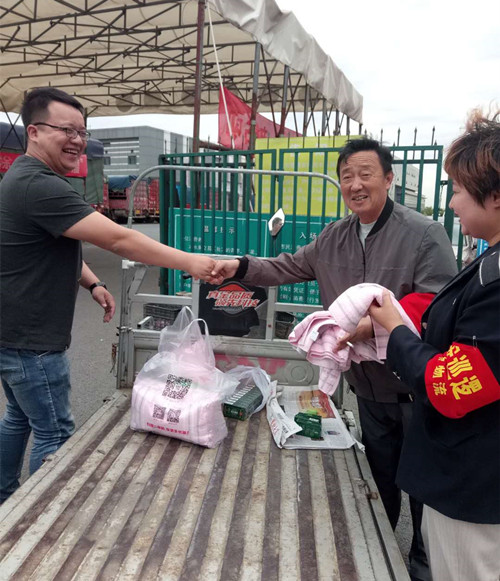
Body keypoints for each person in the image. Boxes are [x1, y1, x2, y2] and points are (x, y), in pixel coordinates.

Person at [212, 137, 458, 580]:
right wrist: (240, 267)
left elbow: (436, 304)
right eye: (347, 176)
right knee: (380, 478)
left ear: (389, 178)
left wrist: (370, 327)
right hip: (368, 387)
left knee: (424, 488)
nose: (355, 184)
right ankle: (379, 559)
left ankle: (423, 568)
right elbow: (286, 266)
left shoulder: (423, 234)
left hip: (416, 388)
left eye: (366, 174)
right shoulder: (334, 237)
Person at [0, 87, 221, 503]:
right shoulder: (38, 185)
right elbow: (119, 239)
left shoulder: (23, 178)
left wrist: (93, 283)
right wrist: (189, 262)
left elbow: (50, 243)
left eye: (82, 132)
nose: (77, 141)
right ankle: (42, 518)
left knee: (19, 418)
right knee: (54, 431)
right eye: (66, 130)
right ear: (34, 131)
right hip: (32, 341)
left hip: (13, 335)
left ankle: (5, 497)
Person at [368, 111, 500, 581]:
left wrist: (394, 329)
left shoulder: (495, 280)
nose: (453, 201)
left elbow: (454, 386)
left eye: (459, 189)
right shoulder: (487, 263)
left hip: (473, 487)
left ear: (496, 195)